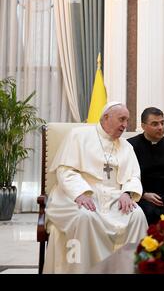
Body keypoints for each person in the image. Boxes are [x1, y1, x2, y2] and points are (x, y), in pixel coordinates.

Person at [44, 102, 148, 273]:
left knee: (136, 215)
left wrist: (127, 193)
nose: (125, 125)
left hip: (115, 197)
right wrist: (80, 193)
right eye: (122, 119)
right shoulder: (78, 135)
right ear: (106, 117)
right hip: (77, 195)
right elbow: (66, 170)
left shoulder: (126, 146)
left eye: (127, 120)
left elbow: (133, 176)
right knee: (85, 217)